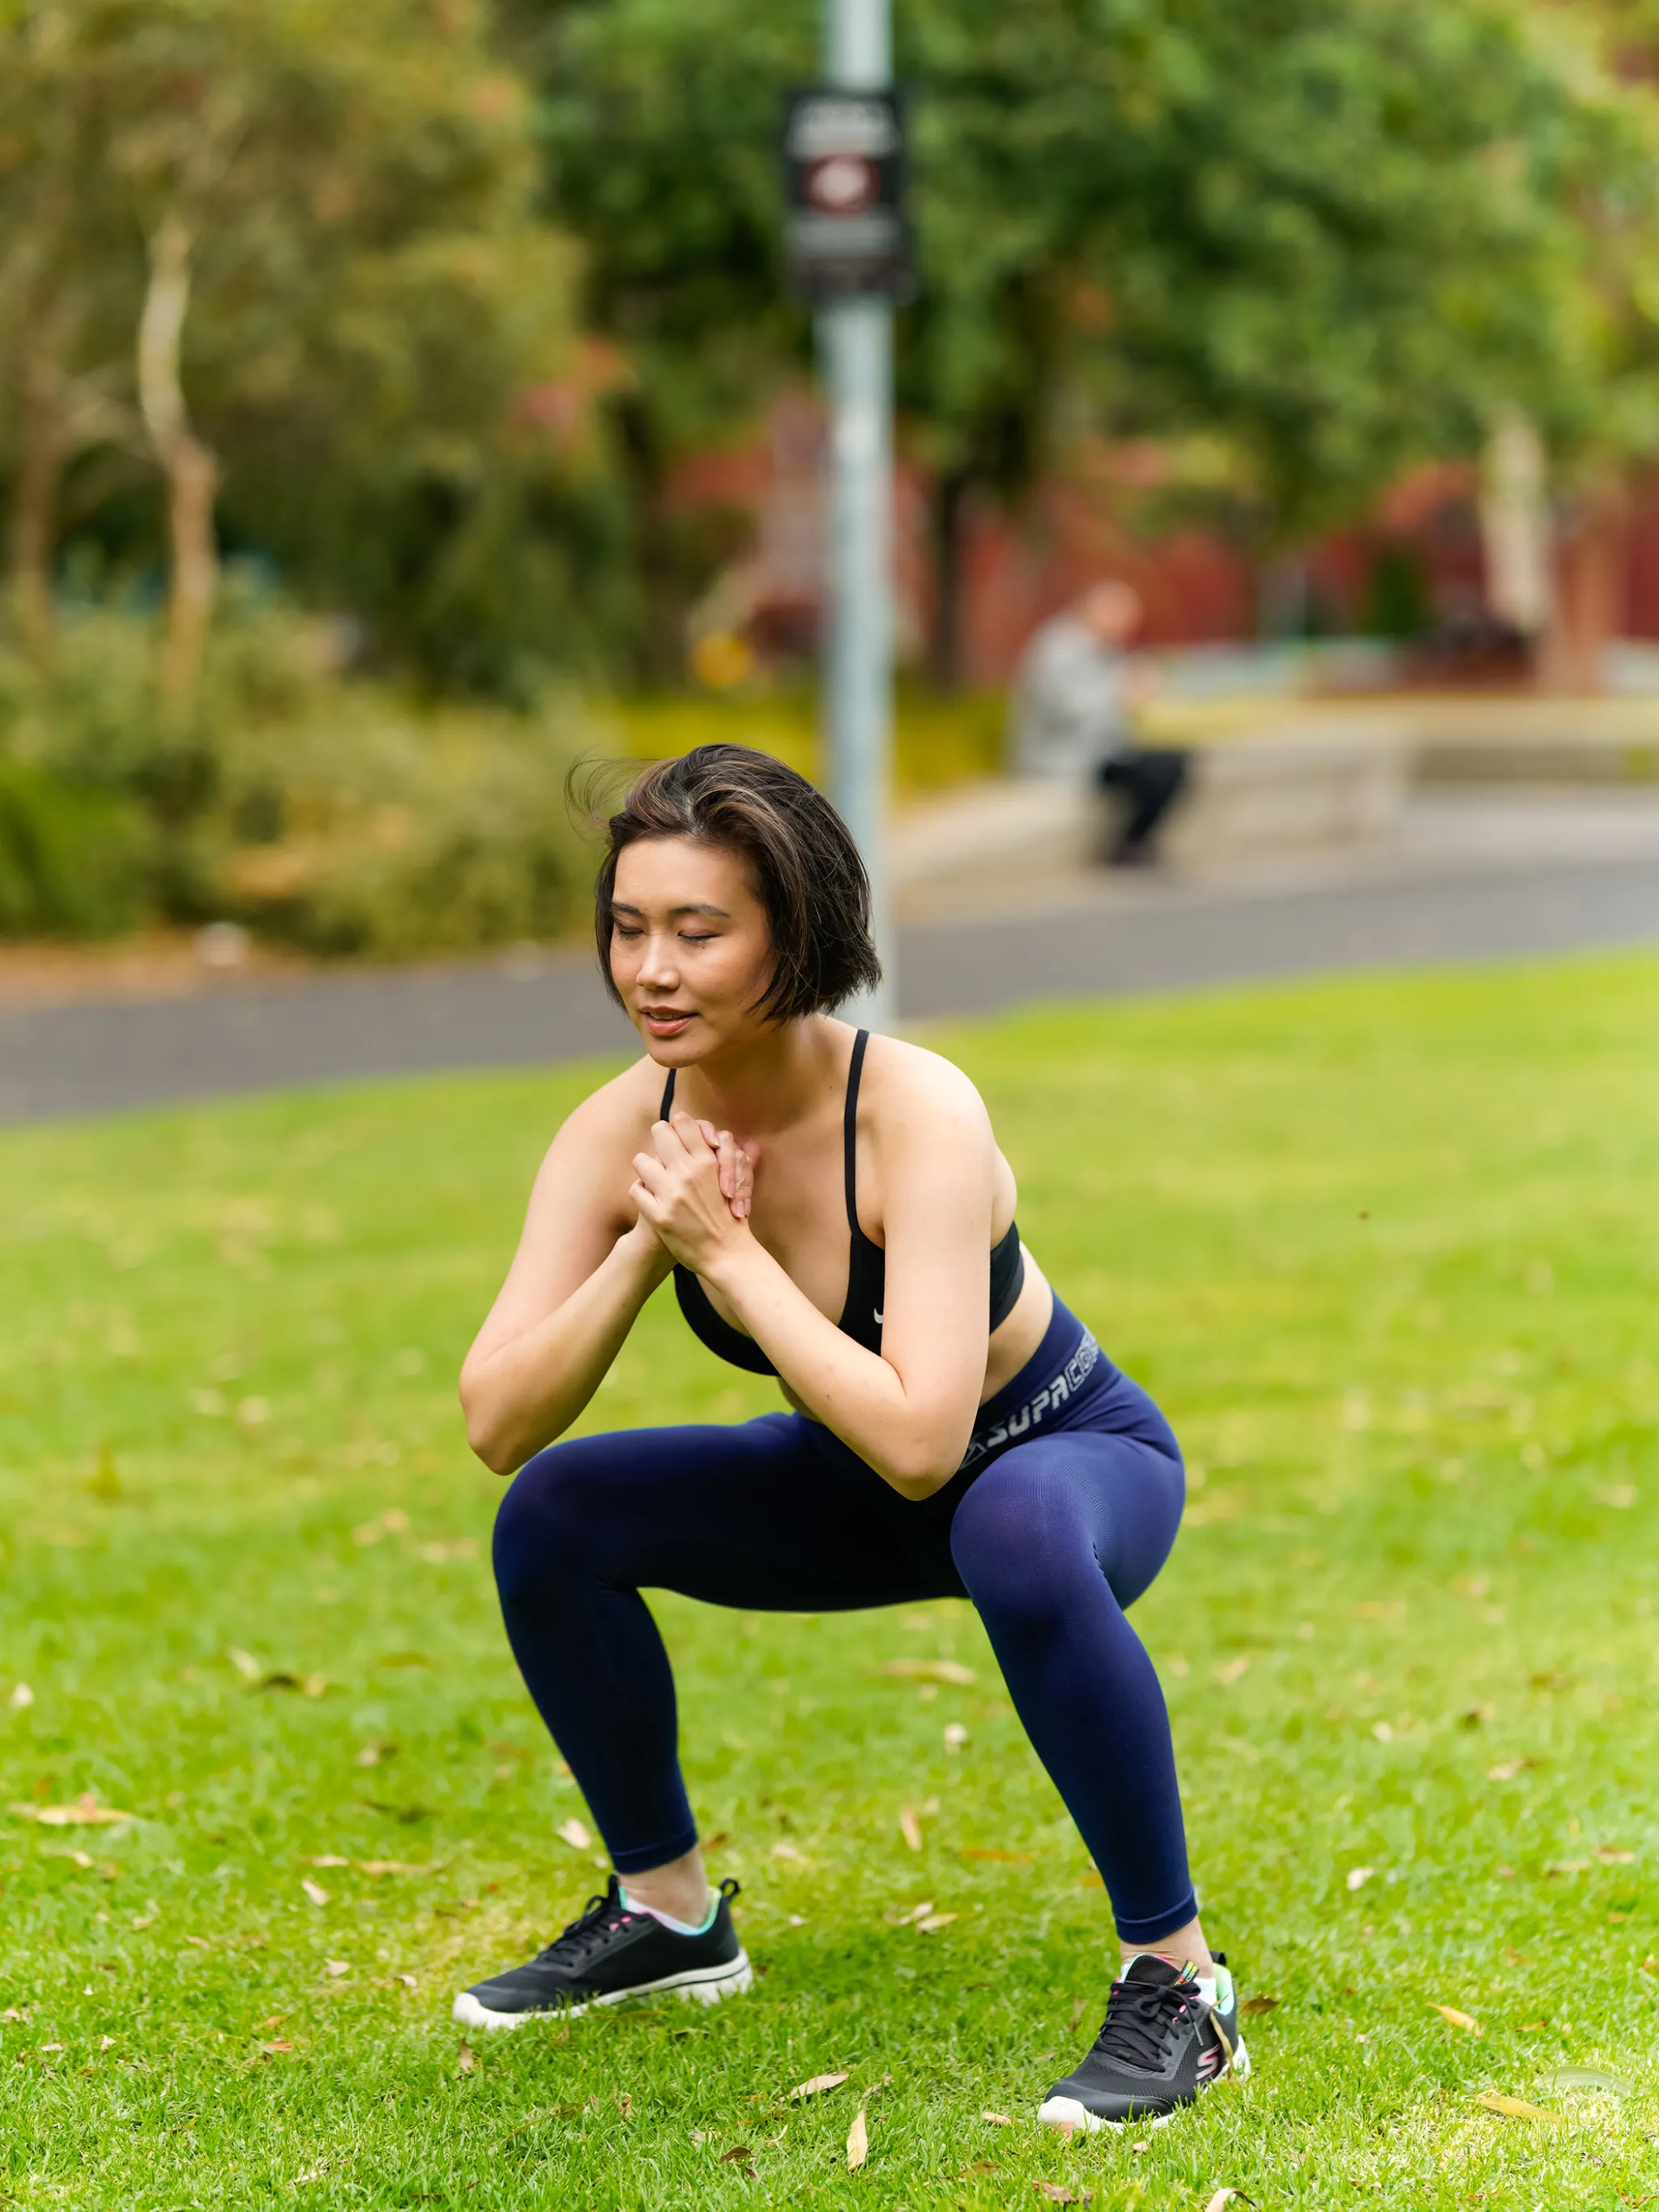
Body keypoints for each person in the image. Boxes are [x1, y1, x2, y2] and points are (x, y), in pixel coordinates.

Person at [451, 744, 1247, 2128]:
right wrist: (644, 1251)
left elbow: (928, 1443)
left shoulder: (912, 1109)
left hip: (1061, 1460)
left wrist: (725, 1247)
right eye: (629, 928)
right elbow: (495, 1418)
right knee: (557, 1511)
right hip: (848, 1474)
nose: (652, 968)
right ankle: (670, 1916)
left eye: (699, 931)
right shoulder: (614, 1130)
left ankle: (1179, 1985)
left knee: (1005, 1521)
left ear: (793, 931)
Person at [1011, 580, 1191, 867]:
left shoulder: (1100, 648)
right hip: (1065, 757)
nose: (1125, 629)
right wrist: (1122, 690)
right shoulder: (1060, 648)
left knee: (1173, 762)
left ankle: (1135, 842)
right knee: (1159, 773)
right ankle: (1128, 844)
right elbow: (1067, 710)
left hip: (1099, 752)